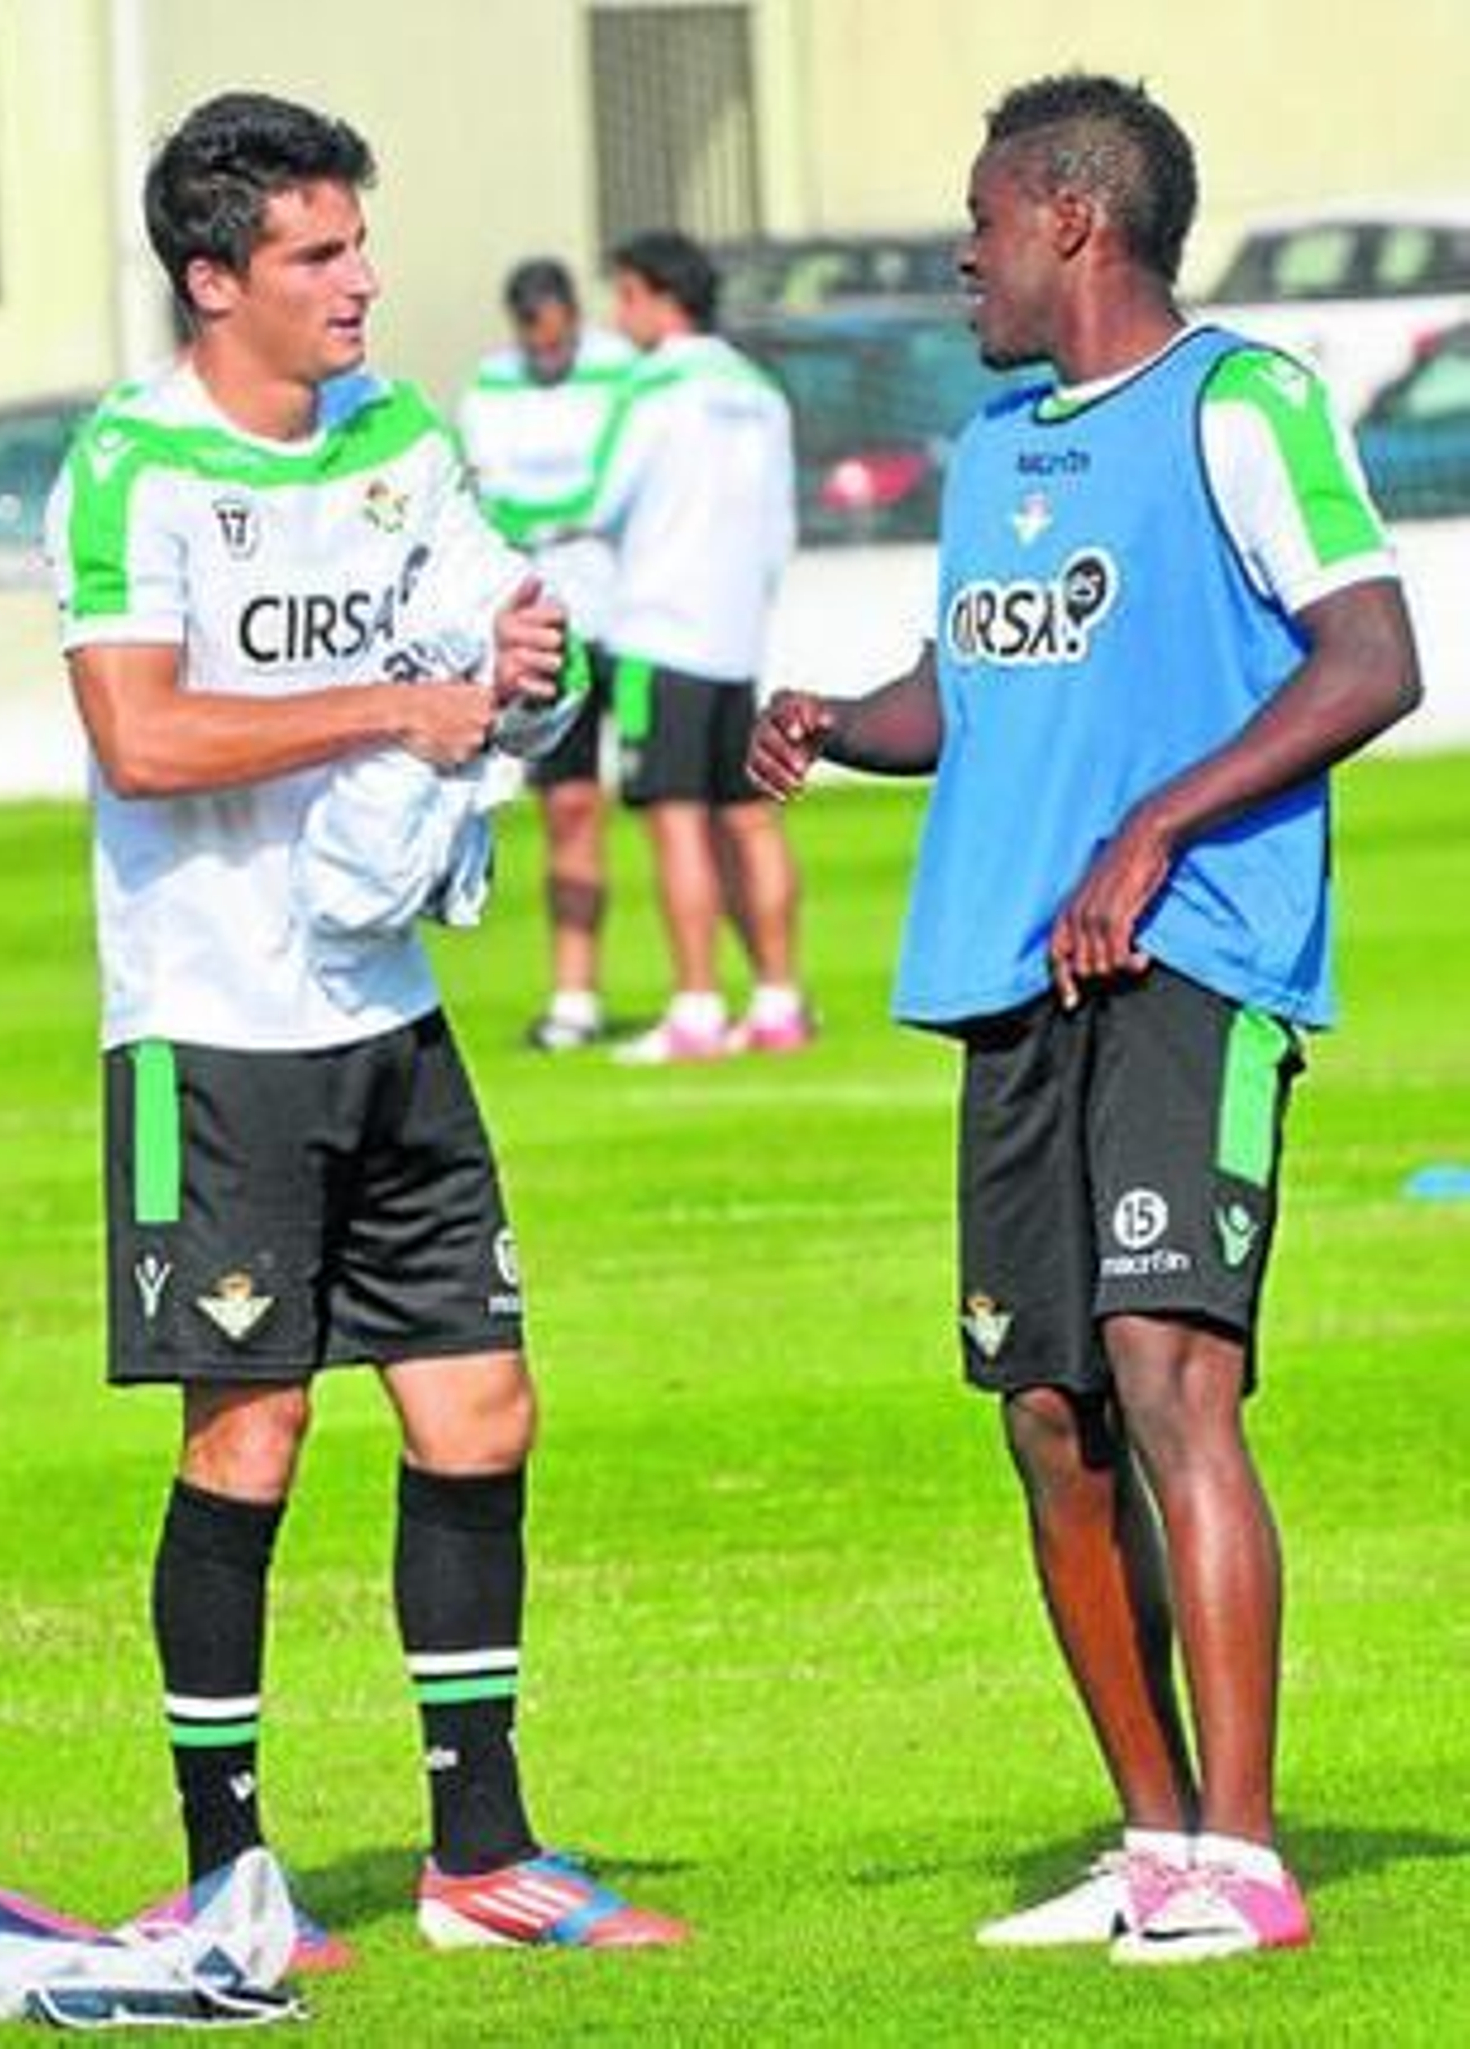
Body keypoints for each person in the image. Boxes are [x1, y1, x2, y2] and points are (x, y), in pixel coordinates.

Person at [749, 72, 1419, 1965]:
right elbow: (971, 692)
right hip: (1008, 970)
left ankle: (1248, 1850)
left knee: (1163, 1364)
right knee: (1049, 1414)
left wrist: (1155, 823)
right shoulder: (992, 446)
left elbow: (1374, 657)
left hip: (1191, 952)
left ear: (1070, 216)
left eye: (977, 219)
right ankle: (1150, 1838)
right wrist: (835, 723)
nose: (958, 257)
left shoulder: (1243, 403)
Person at [44, 90, 685, 1955]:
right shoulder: (133, 465)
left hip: (386, 1010)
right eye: (319, 255)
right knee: (248, 1435)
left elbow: (492, 619)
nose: (361, 283)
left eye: (357, 245)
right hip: (209, 1026)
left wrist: (522, 657)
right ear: (215, 274)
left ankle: (481, 1851)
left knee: (482, 1406)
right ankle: (225, 1868)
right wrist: (383, 707)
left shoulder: (402, 435)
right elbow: (141, 736)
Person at [592, 229, 811, 1064]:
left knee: (675, 824)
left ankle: (694, 1007)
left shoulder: (651, 388)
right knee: (751, 821)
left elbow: (595, 492)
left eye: (625, 296)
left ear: (655, 295)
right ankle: (780, 1000)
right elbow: (780, 528)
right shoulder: (759, 391)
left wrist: (512, 512)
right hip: (736, 637)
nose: (618, 316)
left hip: (659, 632)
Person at [457, 259, 636, 1052]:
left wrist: (560, 513)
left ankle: (719, 993)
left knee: (683, 812)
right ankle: (576, 992)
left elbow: (616, 485)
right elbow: (490, 498)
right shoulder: (490, 389)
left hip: (629, 618)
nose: (550, 348)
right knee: (567, 809)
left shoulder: (617, 373)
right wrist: (559, 518)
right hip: (547, 627)